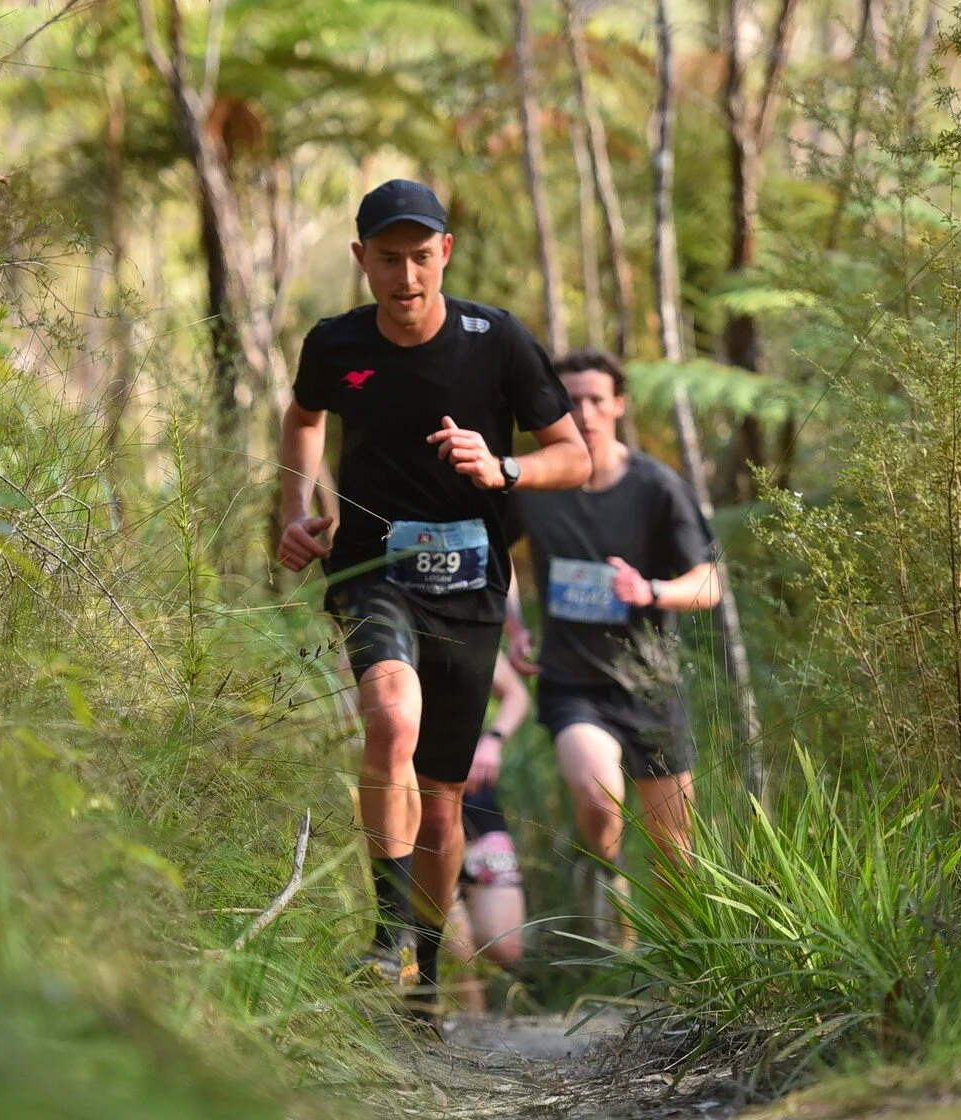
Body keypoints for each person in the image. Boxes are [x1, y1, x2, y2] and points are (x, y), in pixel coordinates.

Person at [276, 179, 590, 1022]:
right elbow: (304, 418)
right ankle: (387, 935)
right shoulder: (336, 343)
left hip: (472, 587)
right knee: (388, 720)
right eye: (388, 259)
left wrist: (504, 468)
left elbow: (575, 456)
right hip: (373, 567)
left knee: (444, 805)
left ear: (445, 252)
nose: (406, 276)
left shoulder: (497, 341)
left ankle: (421, 969)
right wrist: (294, 509)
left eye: (421, 257)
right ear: (361, 261)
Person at [508, 348, 720, 929]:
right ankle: (610, 896)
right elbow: (495, 553)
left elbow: (709, 582)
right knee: (600, 797)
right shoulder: (535, 483)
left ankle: (686, 973)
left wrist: (649, 590)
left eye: (597, 399)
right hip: (572, 682)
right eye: (571, 400)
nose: (584, 411)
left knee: (677, 850)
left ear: (618, 405)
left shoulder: (657, 486)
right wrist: (515, 625)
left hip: (651, 684)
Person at [443, 653, 530, 1011]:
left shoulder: (463, 615)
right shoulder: (375, 627)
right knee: (450, 925)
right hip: (413, 812)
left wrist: (493, 739)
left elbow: (517, 693)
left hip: (478, 808)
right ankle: (470, 1027)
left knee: (505, 945)